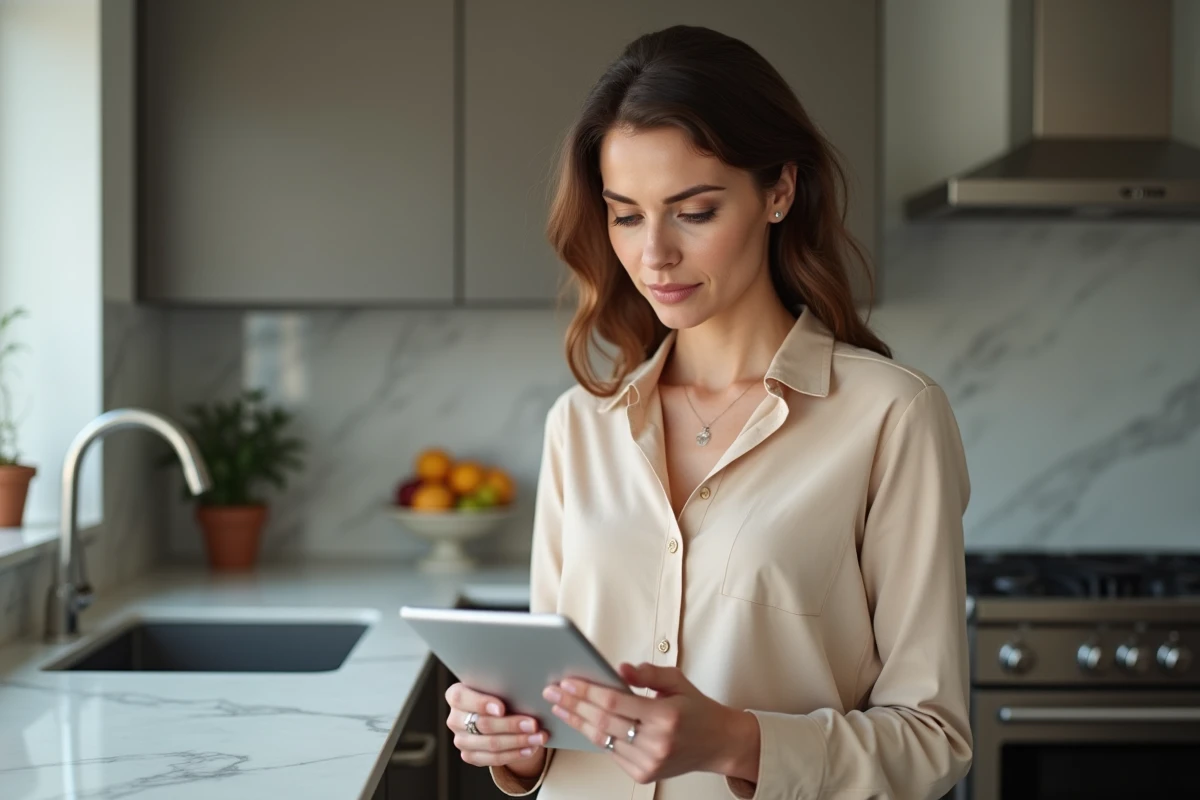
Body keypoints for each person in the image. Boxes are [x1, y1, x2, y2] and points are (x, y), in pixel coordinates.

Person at [445, 24, 972, 800]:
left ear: (780, 192)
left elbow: (934, 740)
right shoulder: (580, 426)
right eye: (625, 215)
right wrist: (513, 742)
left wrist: (735, 741)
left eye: (693, 211)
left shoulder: (892, 417)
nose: (653, 254)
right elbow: (556, 707)